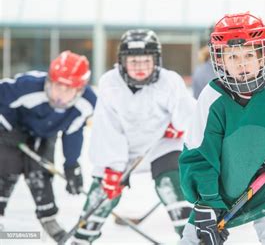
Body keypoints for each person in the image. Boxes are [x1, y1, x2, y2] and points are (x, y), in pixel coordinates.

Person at [179, 12, 265, 245]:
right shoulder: (212, 99)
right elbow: (199, 155)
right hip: (219, 194)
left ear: (263, 55)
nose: (242, 63)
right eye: (232, 56)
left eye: (249, 54)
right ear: (220, 60)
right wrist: (207, 203)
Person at [71, 29, 196, 244]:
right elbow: (107, 127)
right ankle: (82, 237)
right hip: (122, 148)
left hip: (161, 144)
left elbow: (189, 112)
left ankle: (191, 238)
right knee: (103, 192)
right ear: (122, 61)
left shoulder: (169, 81)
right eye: (134, 61)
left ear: (156, 60)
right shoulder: (110, 82)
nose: (140, 67)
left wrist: (181, 126)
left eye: (145, 61)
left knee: (170, 184)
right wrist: (112, 166)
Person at [0, 51, 96, 241]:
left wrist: (71, 165)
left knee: (41, 173)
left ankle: (48, 218)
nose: (59, 95)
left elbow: (73, 132)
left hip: (44, 136)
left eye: (68, 90)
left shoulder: (87, 103)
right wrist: (4, 126)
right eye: (56, 86)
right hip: (13, 131)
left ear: (79, 90)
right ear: (49, 81)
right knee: (5, 168)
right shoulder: (28, 86)